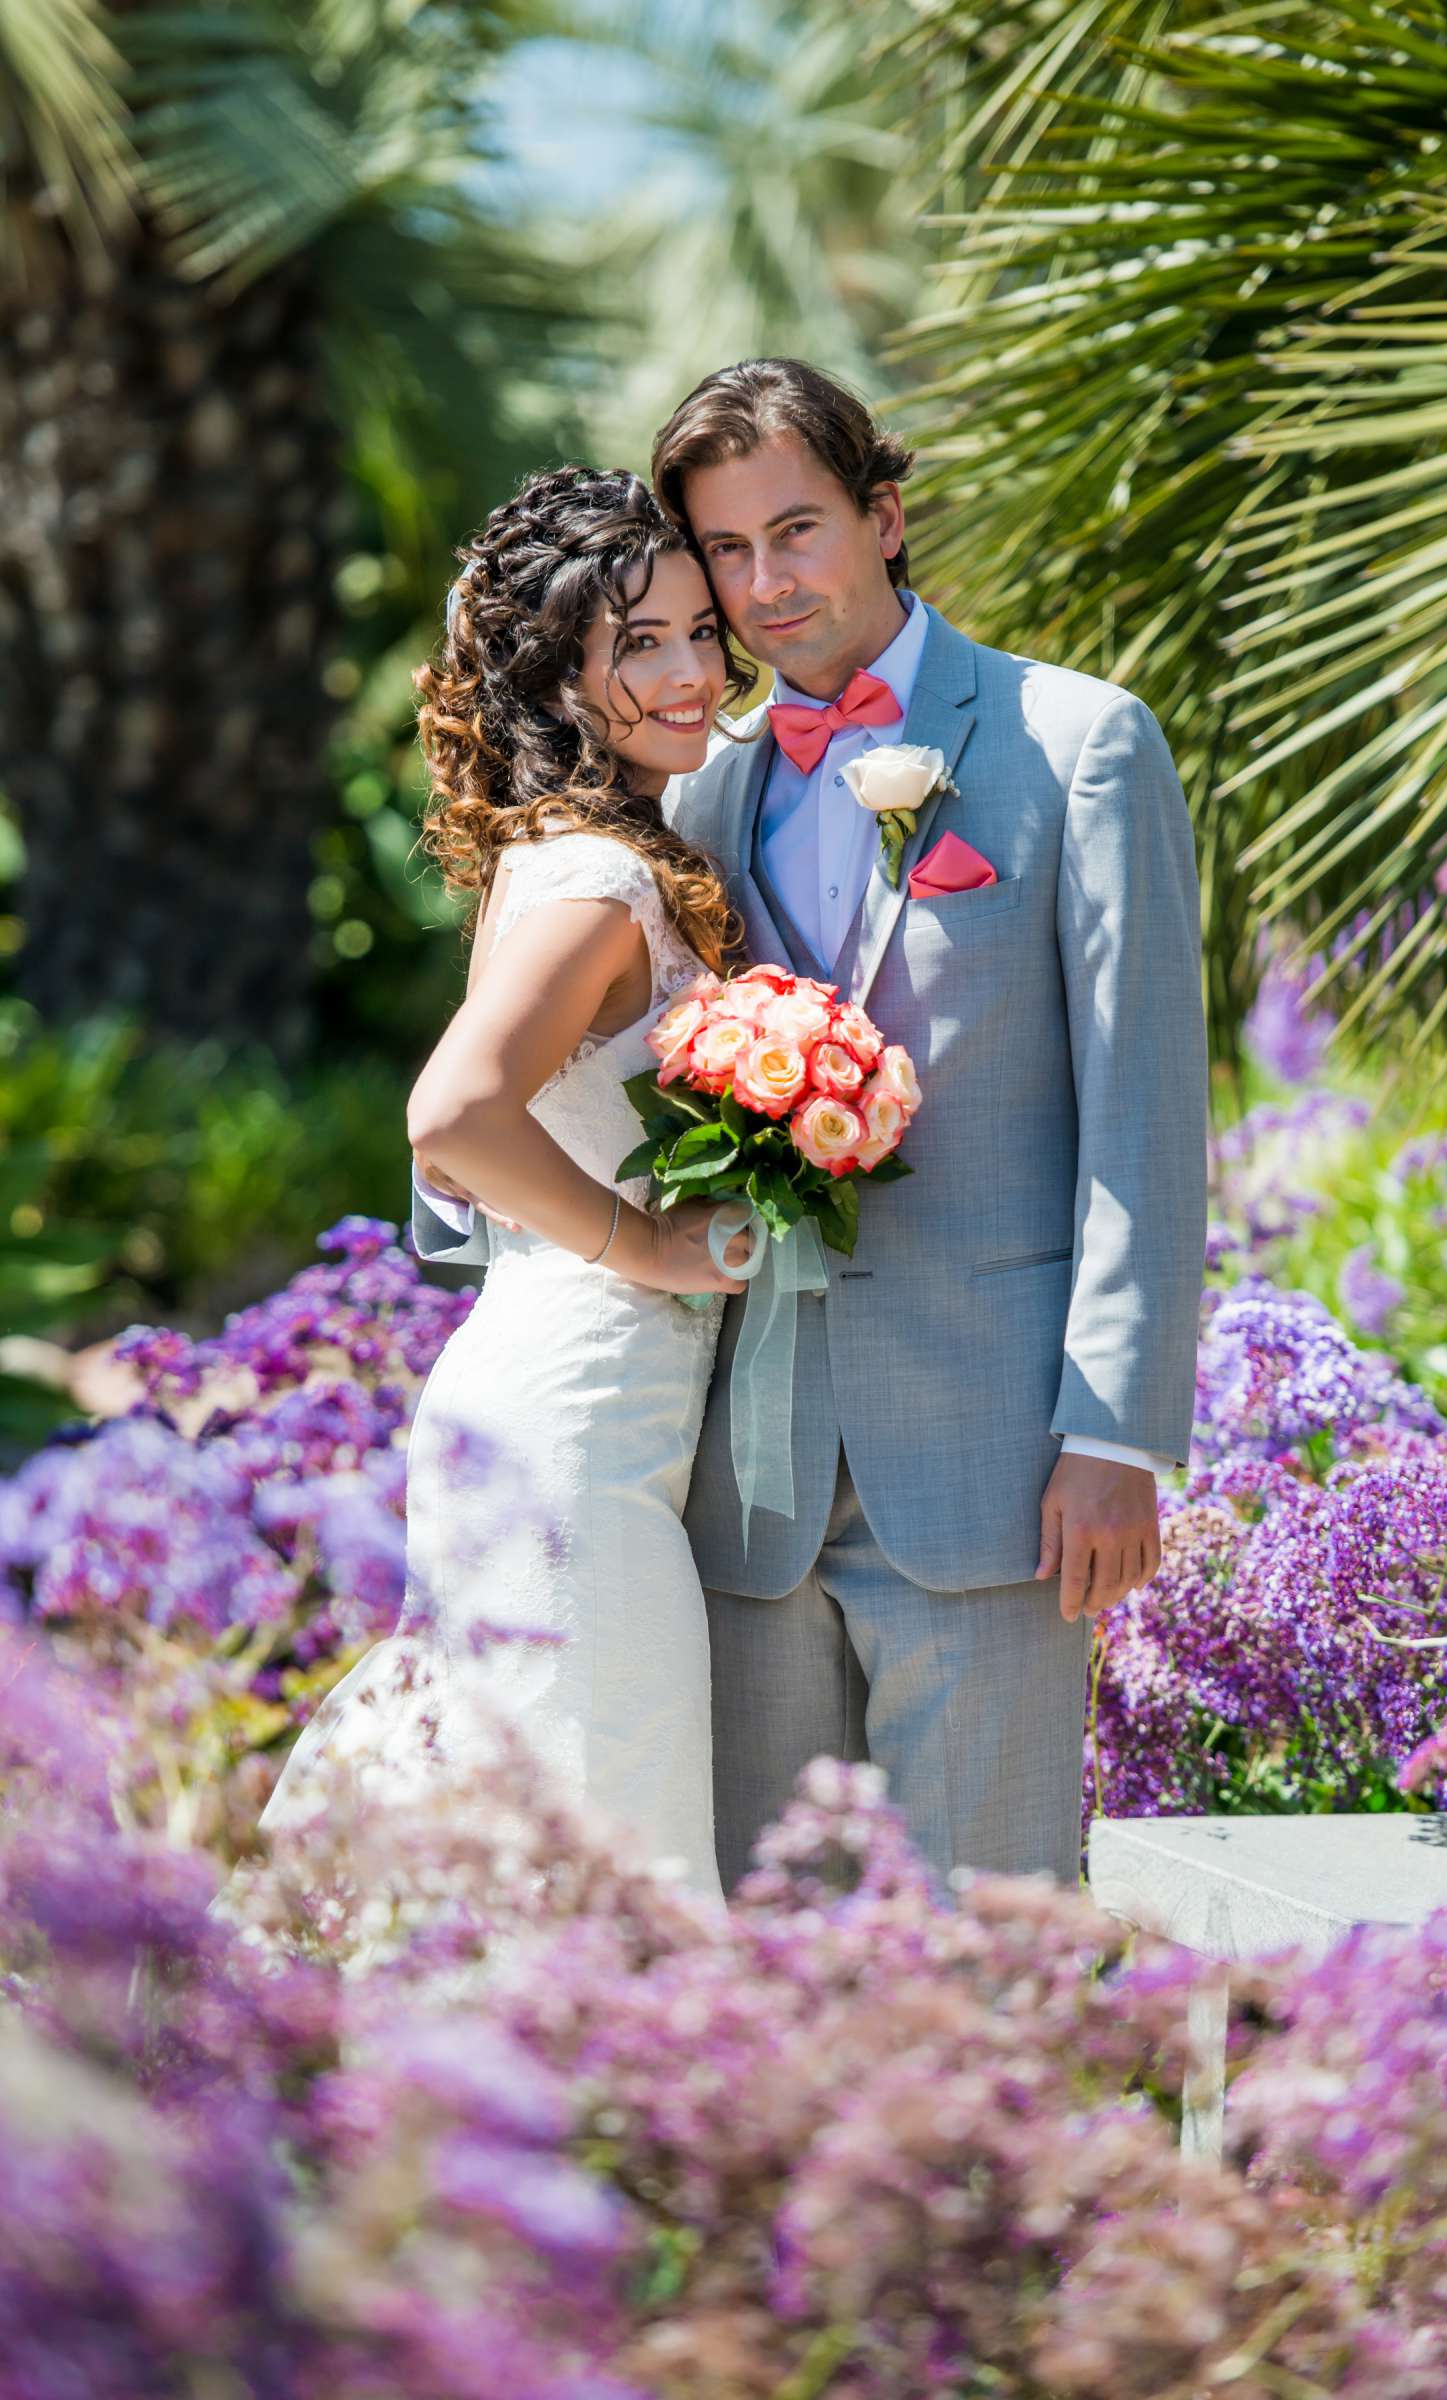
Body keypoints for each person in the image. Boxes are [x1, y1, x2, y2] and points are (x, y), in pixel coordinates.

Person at [649, 358, 1208, 1891]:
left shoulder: (1077, 743)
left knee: (992, 1971)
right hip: (749, 1484)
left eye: (797, 531)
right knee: (778, 1979)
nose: (764, 586)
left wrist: (1112, 1434)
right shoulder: (701, 795)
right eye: (724, 551)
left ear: (884, 517)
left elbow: (1143, 1120)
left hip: (992, 1475)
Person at [257, 467, 752, 1898]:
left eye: (697, 632)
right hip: (575, 1431)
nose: (686, 670)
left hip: (558, 1411)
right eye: (638, 644)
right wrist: (646, 1246)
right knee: (599, 1857)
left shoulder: (574, 852)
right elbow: (452, 1116)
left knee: (550, 1844)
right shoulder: (601, 877)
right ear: (558, 678)